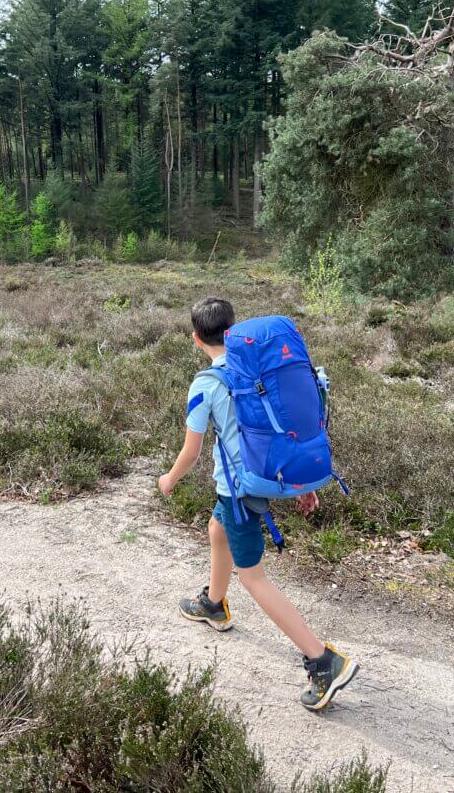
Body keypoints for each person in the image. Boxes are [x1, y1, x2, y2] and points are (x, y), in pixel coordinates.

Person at [157, 296, 359, 711]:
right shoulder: (258, 369)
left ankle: (322, 661)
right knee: (218, 530)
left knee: (254, 577)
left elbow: (191, 452)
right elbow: (287, 425)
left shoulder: (206, 385)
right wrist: (303, 483)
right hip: (275, 472)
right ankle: (214, 604)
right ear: (232, 330)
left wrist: (169, 480)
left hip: (242, 490)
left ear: (196, 339)